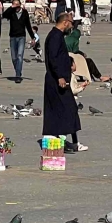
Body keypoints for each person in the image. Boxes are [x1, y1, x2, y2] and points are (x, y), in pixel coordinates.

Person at [43, 12, 84, 153]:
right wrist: (60, 76)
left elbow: (60, 56)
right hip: (56, 80)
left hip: (59, 79)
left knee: (64, 110)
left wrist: (69, 64)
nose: (72, 26)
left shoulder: (57, 36)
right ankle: (61, 141)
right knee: (66, 109)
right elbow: (53, 58)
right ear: (65, 22)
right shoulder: (55, 36)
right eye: (71, 23)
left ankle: (62, 140)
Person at [2, 0, 35, 83]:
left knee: (20, 55)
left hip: (21, 37)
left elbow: (28, 25)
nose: (16, 6)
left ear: (20, 5)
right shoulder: (11, 12)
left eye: (17, 4)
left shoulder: (24, 13)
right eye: (14, 4)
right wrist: (11, 7)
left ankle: (18, 75)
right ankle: (18, 70)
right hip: (12, 37)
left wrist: (33, 37)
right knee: (14, 57)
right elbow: (4, 15)